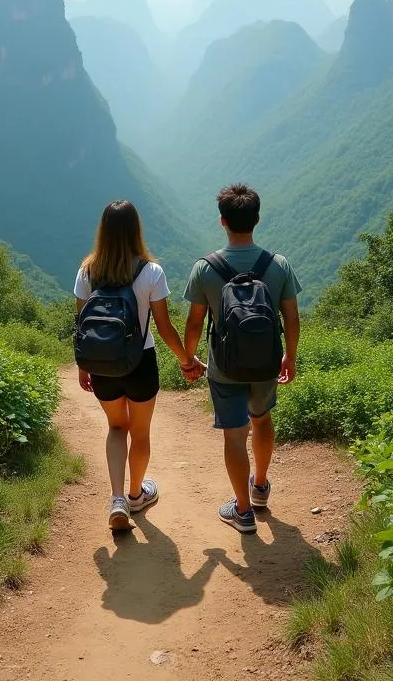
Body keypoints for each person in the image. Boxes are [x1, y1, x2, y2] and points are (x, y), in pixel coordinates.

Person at [75, 200, 205, 532]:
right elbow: (163, 327)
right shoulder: (151, 272)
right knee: (140, 432)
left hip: (103, 364)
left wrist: (83, 366)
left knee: (116, 428)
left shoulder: (87, 271)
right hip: (140, 363)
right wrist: (187, 361)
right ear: (136, 230)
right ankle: (135, 494)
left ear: (102, 230)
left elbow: (81, 324)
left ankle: (117, 499)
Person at [183, 184, 301, 534]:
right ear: (257, 219)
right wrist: (289, 357)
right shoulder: (278, 265)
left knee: (235, 437)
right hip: (266, 365)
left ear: (222, 221)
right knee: (262, 422)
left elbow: (193, 323)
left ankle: (243, 512)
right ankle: (260, 487)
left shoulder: (205, 269)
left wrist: (188, 358)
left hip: (224, 368)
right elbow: (292, 318)